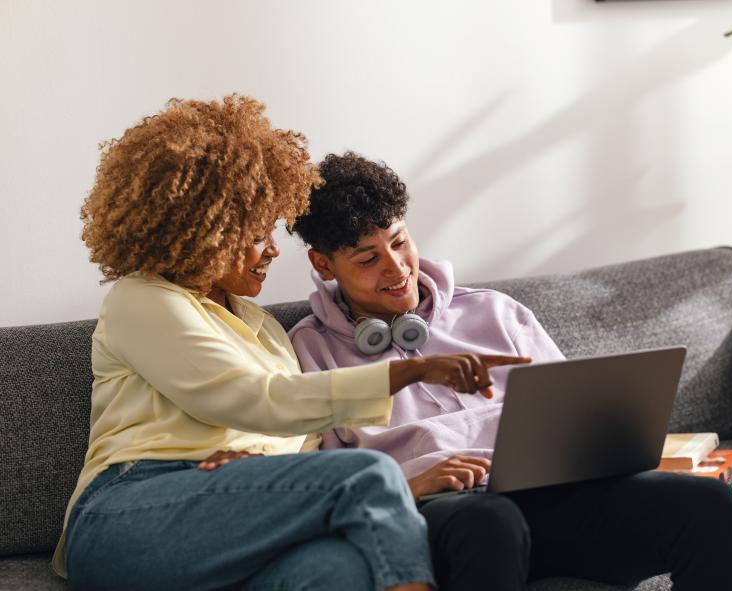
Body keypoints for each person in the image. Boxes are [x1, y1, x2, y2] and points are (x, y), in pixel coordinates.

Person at [55, 96, 530, 591]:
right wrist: (410, 372)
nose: (273, 251)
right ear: (205, 235)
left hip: (235, 510)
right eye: (257, 235)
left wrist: (259, 476)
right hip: (130, 509)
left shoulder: (267, 330)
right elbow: (254, 399)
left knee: (339, 570)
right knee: (366, 470)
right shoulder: (142, 300)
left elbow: (305, 446)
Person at [288, 151, 732, 591]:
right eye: (368, 258)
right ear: (323, 263)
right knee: (491, 522)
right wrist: (408, 486)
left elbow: (574, 415)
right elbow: (324, 482)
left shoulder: (495, 312)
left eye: (399, 242)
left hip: (555, 499)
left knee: (708, 505)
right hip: (445, 514)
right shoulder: (310, 349)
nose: (396, 268)